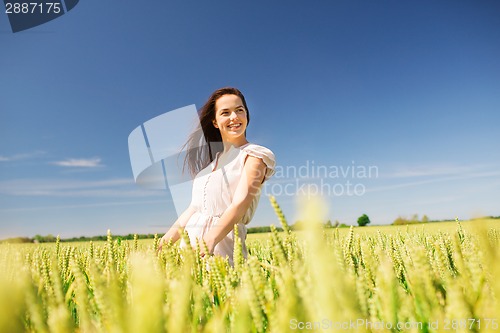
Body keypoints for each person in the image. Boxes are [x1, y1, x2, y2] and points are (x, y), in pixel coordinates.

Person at [157, 87, 276, 265]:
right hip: (190, 249)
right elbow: (193, 209)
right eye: (225, 113)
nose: (234, 117)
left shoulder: (256, 155)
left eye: (239, 110)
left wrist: (211, 239)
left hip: (222, 247)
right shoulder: (208, 167)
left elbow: (241, 203)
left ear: (247, 115)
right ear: (215, 121)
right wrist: (166, 241)